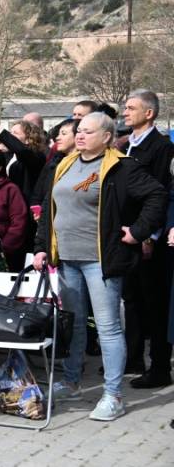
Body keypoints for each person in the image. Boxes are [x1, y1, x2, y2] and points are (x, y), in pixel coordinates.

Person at [33, 112, 166, 421]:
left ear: (106, 137)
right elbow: (50, 210)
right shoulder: (64, 164)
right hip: (67, 260)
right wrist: (41, 247)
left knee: (107, 328)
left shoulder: (121, 167)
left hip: (100, 262)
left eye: (88, 131)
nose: (80, 136)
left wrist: (138, 232)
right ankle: (71, 382)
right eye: (78, 131)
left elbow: (157, 195)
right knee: (76, 325)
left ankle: (113, 395)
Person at [117, 89, 174, 387]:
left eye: (131, 108)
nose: (125, 112)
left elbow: (160, 192)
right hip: (127, 234)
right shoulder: (127, 145)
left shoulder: (161, 147)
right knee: (132, 298)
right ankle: (134, 357)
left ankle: (160, 366)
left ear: (148, 113)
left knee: (155, 302)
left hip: (149, 236)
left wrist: (149, 235)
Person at [30, 118, 79, 211]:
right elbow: (38, 194)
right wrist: (36, 212)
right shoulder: (53, 163)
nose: (57, 138)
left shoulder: (84, 165)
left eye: (63, 134)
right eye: (59, 134)